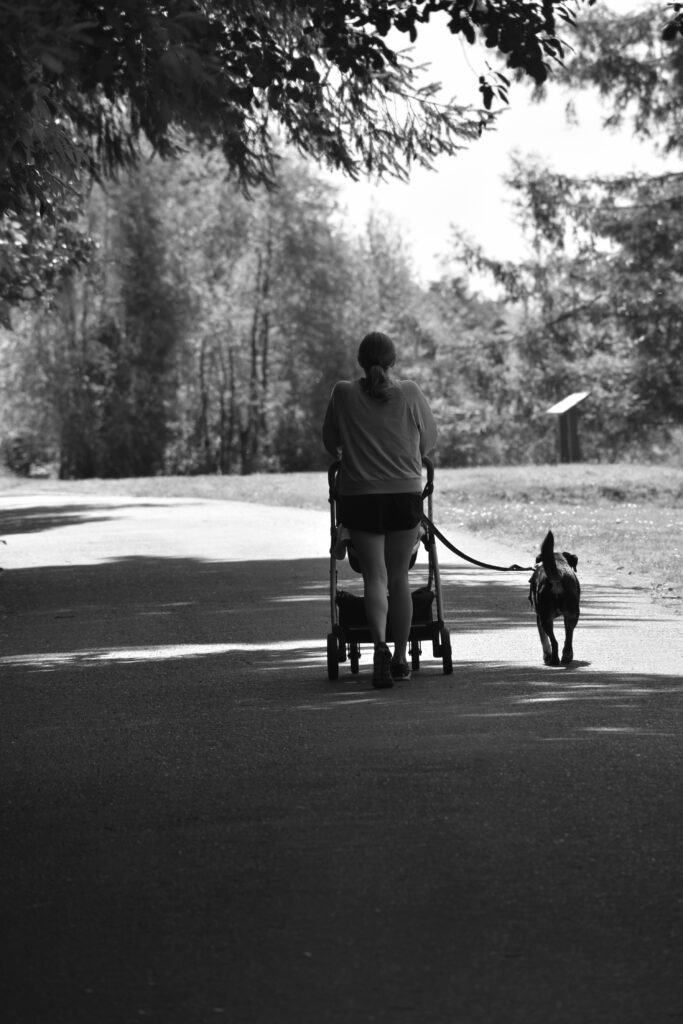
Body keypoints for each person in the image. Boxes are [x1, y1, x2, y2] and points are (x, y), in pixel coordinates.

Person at [322, 331, 437, 689]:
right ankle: (401, 657)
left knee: (375, 578)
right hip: (404, 496)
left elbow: (331, 443)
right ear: (393, 361)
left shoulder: (342, 392)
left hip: (360, 499)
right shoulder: (411, 392)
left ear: (360, 361)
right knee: (398, 578)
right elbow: (430, 442)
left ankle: (380, 652)